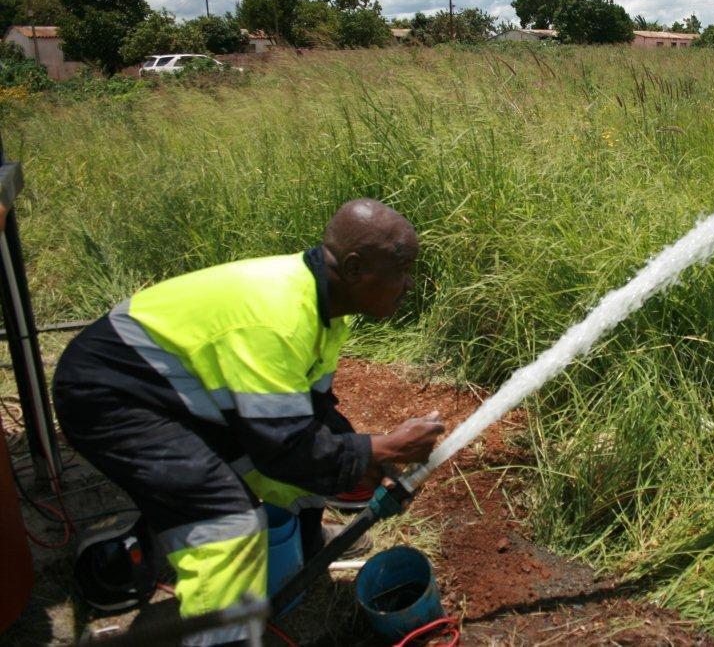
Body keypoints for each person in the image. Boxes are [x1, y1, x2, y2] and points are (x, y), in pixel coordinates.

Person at [53, 198, 445, 646]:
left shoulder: (325, 310)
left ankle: (307, 546)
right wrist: (380, 448)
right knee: (227, 522)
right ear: (355, 268)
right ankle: (221, 638)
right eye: (401, 269)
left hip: (173, 392)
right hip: (110, 395)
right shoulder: (278, 319)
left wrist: (366, 460)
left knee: (300, 470)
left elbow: (310, 418)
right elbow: (286, 446)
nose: (409, 283)